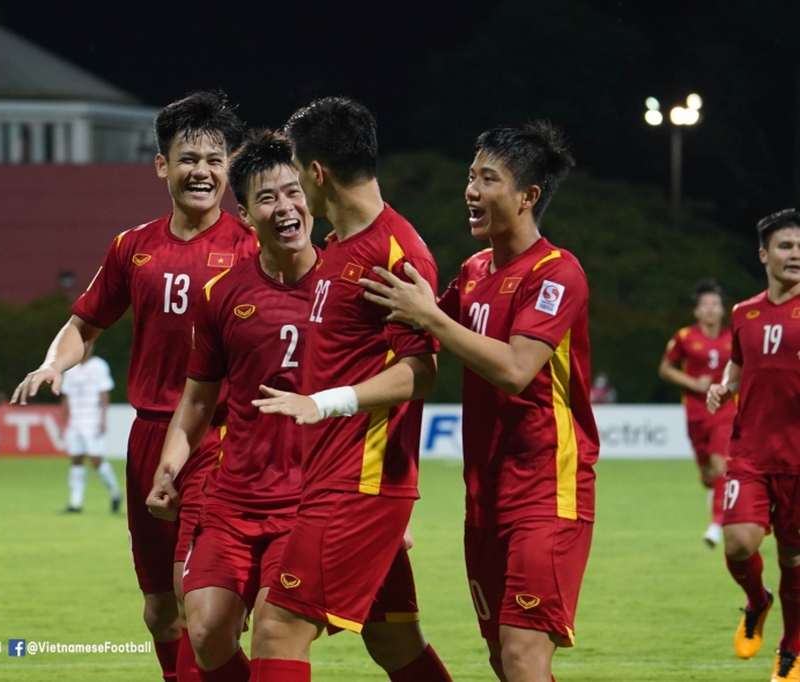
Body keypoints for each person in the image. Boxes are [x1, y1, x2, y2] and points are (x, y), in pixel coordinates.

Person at [10, 91, 258, 682]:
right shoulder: (132, 247)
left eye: (215, 160)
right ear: (161, 165)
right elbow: (84, 324)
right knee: (160, 615)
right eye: (188, 158)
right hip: (148, 438)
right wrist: (54, 365)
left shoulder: (252, 247)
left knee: (198, 605)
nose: (202, 171)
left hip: (219, 439)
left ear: (229, 168)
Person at [361, 121, 597, 682]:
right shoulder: (472, 273)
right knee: (501, 657)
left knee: (521, 654)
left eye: (488, 179)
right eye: (471, 176)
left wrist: (432, 317)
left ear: (527, 196)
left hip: (548, 491)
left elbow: (516, 370)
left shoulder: (556, 273)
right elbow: (415, 337)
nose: (470, 189)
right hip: (484, 496)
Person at [250, 97, 452, 682]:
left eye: (295, 173)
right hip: (339, 477)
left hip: (358, 482)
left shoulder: (395, 254)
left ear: (317, 172)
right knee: (394, 640)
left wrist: (323, 404)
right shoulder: (339, 245)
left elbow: (420, 371)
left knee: (278, 626)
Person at [145, 129, 317, 682]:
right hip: (233, 497)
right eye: (267, 198)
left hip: (309, 499)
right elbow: (196, 399)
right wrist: (169, 469)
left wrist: (382, 506)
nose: (284, 207)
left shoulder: (346, 285)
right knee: (204, 631)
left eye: (293, 193)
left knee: (275, 629)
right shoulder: (222, 294)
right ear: (245, 214)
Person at [707, 208, 800, 682]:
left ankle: (792, 648)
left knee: (794, 560)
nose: (796, 254)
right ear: (764, 254)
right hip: (750, 453)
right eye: (786, 245)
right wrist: (726, 386)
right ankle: (757, 599)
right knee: (740, 543)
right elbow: (740, 365)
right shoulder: (744, 313)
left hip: (798, 460)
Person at [659, 278, 735, 547]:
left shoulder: (733, 338)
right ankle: (716, 493)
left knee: (720, 464)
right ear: (697, 311)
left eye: (715, 304)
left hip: (725, 410)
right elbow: (665, 369)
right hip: (695, 412)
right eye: (706, 305)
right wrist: (693, 383)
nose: (711, 309)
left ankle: (716, 525)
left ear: (722, 310)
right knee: (708, 475)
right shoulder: (684, 337)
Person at [59, 344, 122, 514]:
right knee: (76, 459)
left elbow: (104, 393)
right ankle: (75, 503)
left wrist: (103, 419)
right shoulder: (70, 368)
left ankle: (115, 492)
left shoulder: (99, 366)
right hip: (75, 421)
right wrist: (62, 421)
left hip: (92, 419)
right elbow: (66, 396)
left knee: (96, 460)